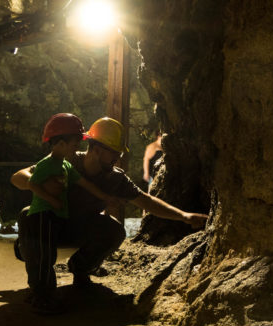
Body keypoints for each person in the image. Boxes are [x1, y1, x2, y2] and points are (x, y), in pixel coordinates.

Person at [11, 116, 208, 307]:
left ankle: (81, 271)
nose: (118, 158)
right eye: (114, 152)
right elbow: (19, 177)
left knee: (113, 230)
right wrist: (38, 184)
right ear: (96, 149)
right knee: (30, 215)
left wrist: (184, 216)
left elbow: (146, 201)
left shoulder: (115, 179)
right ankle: (42, 292)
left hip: (77, 229)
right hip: (46, 231)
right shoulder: (67, 162)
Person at [19, 113, 117, 314]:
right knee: (44, 256)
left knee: (48, 254)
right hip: (42, 215)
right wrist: (51, 198)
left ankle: (48, 289)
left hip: (56, 218)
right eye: (75, 143)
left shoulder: (66, 165)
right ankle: (43, 294)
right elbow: (31, 183)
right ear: (61, 143)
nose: (78, 148)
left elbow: (84, 183)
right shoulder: (46, 164)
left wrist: (106, 197)